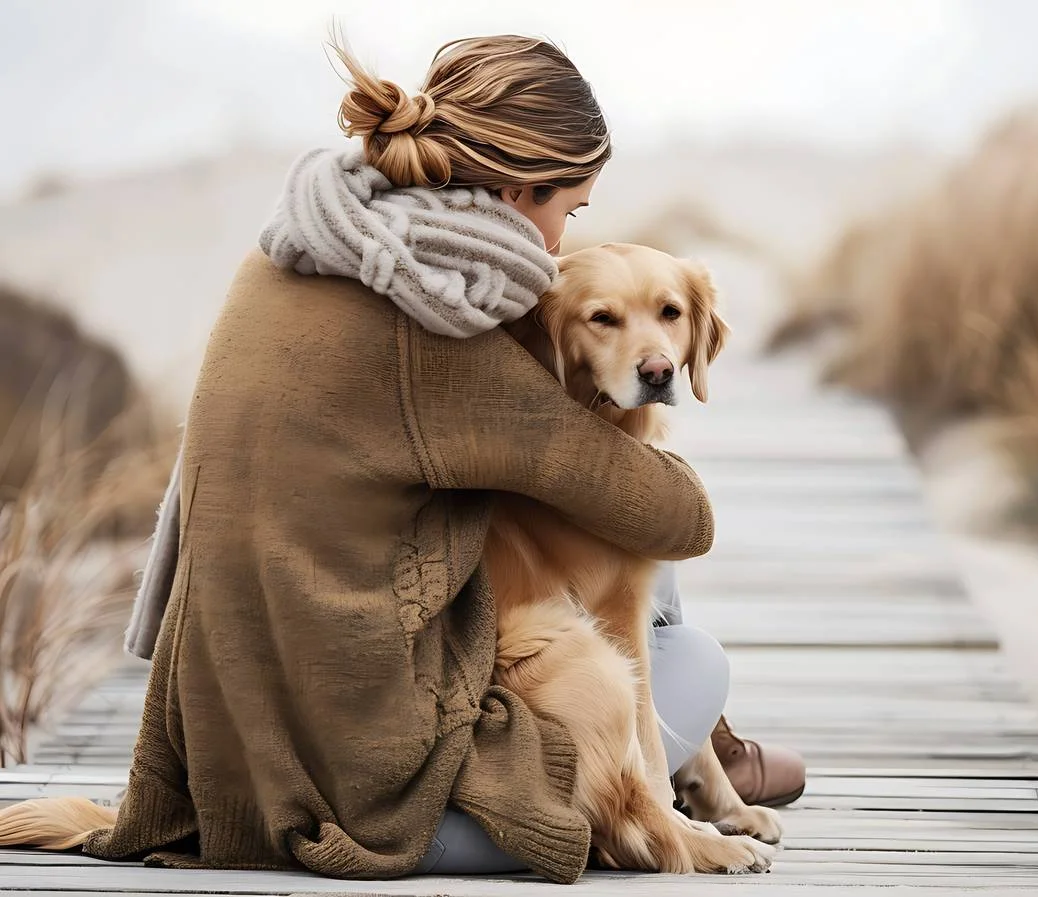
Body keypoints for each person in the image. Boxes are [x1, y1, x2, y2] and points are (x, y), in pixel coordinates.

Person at [101, 34, 802, 881]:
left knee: (629, 578)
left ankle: (702, 758)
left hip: (230, 737)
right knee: (695, 661)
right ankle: (669, 789)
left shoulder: (295, 245)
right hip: (362, 786)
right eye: (567, 213)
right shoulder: (439, 324)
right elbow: (678, 517)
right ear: (513, 191)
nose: (554, 249)